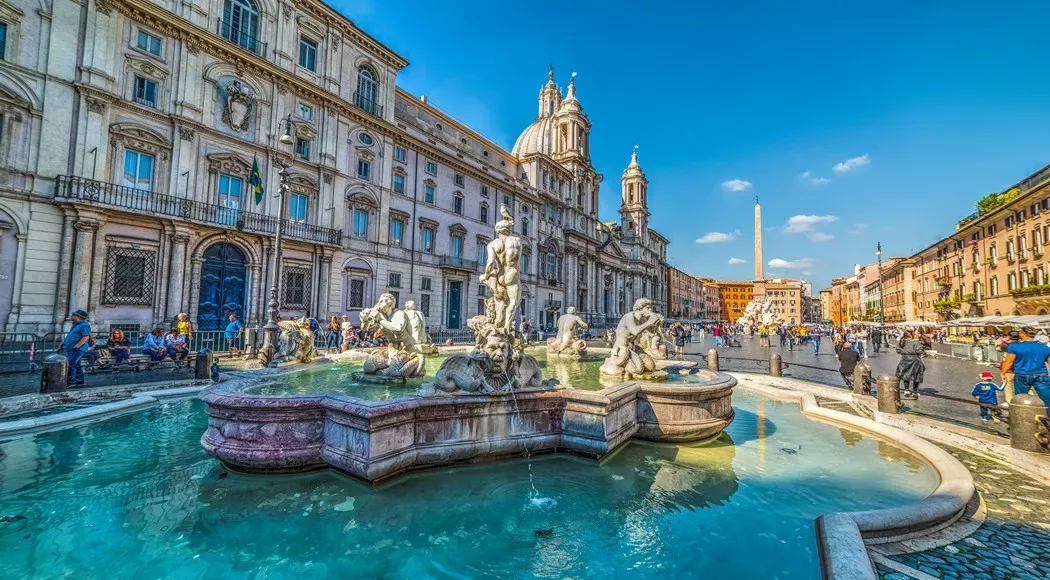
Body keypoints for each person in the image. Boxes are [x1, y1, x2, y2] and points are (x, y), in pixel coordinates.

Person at [1000, 326, 1050, 406]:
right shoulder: (1045, 348)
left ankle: (1021, 416)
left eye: (1020, 332)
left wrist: (1003, 373)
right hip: (1041, 374)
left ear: (1023, 334)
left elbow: (1008, 362)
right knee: (1047, 398)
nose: (1019, 333)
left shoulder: (1014, 347)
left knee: (1020, 398)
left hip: (1022, 374)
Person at [60, 309, 92, 386]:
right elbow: (70, 335)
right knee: (76, 364)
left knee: (71, 364)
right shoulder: (75, 324)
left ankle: (71, 381)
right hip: (72, 348)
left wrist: (77, 346)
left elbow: (85, 337)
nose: (71, 316)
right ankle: (80, 380)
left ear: (79, 317)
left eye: (73, 315)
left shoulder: (85, 325)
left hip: (78, 349)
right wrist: (61, 345)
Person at [896, 331, 926, 399]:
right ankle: (914, 391)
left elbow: (898, 351)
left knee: (905, 375)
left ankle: (907, 390)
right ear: (912, 335)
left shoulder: (902, 341)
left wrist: (905, 352)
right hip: (915, 360)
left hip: (904, 360)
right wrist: (923, 349)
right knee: (917, 375)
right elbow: (919, 351)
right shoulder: (916, 342)